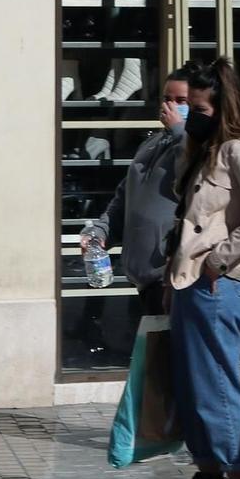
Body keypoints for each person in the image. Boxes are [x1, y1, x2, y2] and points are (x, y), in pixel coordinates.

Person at [150, 59, 240, 479]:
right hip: (190, 279)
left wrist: (219, 259)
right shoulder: (201, 148)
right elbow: (186, 217)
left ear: (221, 106)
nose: (193, 114)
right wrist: (174, 275)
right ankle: (208, 475)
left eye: (201, 107)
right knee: (192, 385)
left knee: (218, 385)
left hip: (223, 280)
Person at [81, 65, 193, 326]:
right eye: (167, 98)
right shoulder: (153, 143)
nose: (171, 106)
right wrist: (101, 231)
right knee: (154, 361)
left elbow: (197, 168)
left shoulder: (197, 145)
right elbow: (124, 198)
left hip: (173, 280)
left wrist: (179, 132)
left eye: (181, 101)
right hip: (144, 280)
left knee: (173, 361)